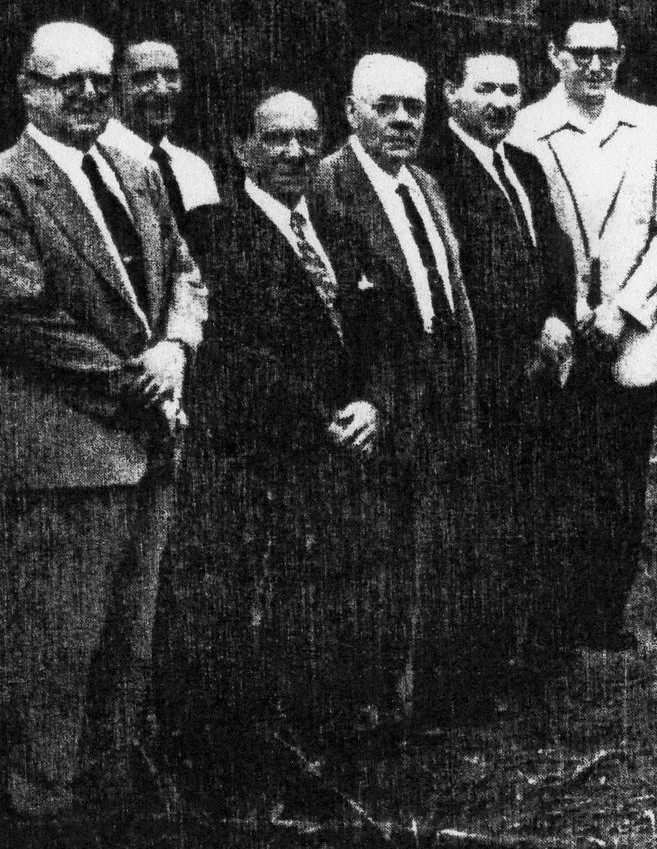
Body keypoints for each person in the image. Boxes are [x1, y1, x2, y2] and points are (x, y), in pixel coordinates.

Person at [0, 22, 205, 824]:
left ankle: (110, 795)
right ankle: (40, 802)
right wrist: (138, 379)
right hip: (65, 452)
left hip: (146, 445)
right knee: (56, 641)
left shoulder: (135, 170)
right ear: (29, 90)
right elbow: (22, 316)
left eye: (98, 79)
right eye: (66, 81)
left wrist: (177, 347)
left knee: (129, 638)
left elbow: (185, 272)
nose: (87, 94)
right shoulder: (10, 184)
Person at [158, 89, 382, 811]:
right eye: (277, 138)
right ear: (241, 147)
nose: (294, 152)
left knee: (331, 608)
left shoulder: (339, 229)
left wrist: (373, 403)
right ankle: (254, 777)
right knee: (261, 615)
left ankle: (325, 758)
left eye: (307, 138)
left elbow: (383, 332)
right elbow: (231, 351)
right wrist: (319, 418)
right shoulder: (214, 230)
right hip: (265, 457)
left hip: (347, 454)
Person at [509, 0, 657, 653]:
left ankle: (605, 610)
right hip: (559, 329)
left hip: (629, 330)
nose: (594, 65)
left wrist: (623, 309)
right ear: (555, 55)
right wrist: (564, 310)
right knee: (560, 474)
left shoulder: (652, 126)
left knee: (622, 476)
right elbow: (522, 234)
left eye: (607, 53)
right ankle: (554, 617)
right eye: (581, 53)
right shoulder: (525, 128)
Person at [306, 53, 478, 716]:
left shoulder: (424, 184)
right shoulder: (327, 187)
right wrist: (367, 396)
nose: (403, 119)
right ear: (351, 112)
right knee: (370, 558)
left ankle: (417, 695)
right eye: (386, 106)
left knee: (428, 549)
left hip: (439, 392)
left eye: (414, 106)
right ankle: (368, 704)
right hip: (376, 403)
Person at [417, 40, 577, 676]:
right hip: (486, 373)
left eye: (510, 90)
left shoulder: (526, 165)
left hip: (540, 371)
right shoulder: (434, 169)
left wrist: (559, 317)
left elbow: (555, 251)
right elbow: (467, 278)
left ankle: (530, 647)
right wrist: (528, 336)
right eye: (485, 89)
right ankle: (482, 662)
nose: (500, 102)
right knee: (483, 521)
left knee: (533, 511)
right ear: (451, 94)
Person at [104, 38, 222, 271]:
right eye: (145, 78)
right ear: (116, 87)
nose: (161, 90)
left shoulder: (195, 169)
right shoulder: (99, 165)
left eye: (170, 77)